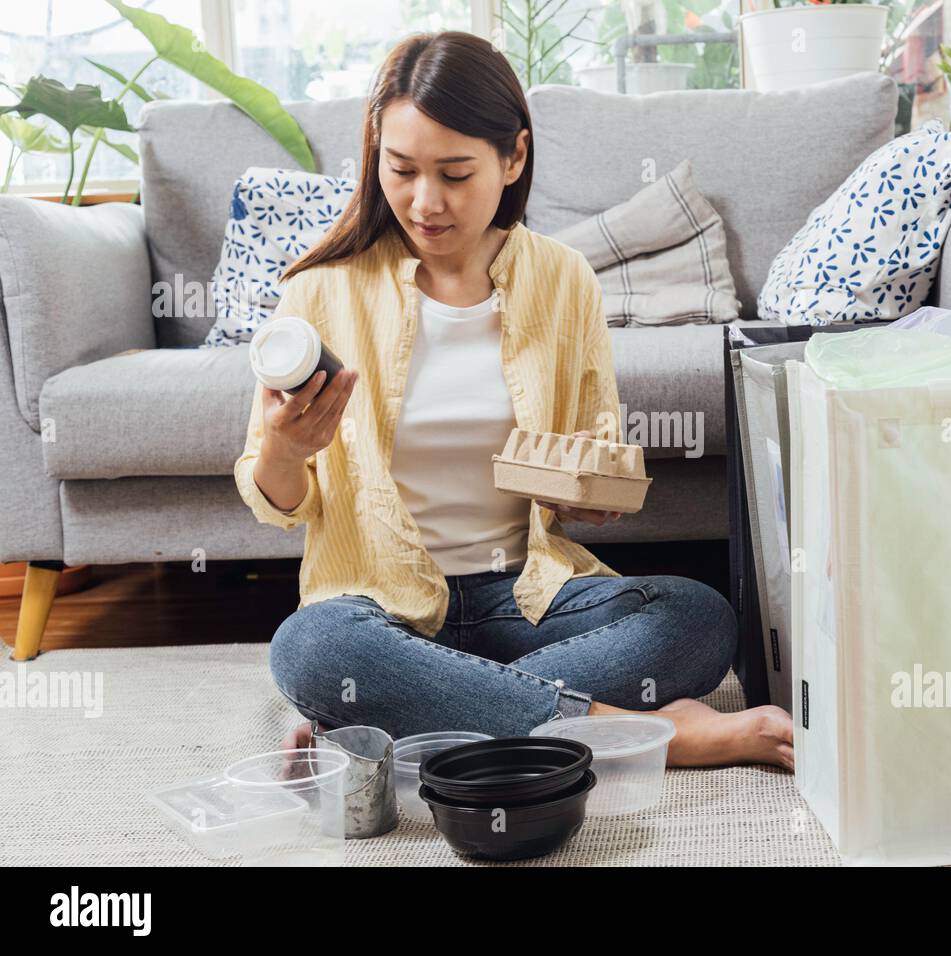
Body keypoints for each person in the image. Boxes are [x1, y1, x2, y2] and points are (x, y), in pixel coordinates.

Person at [234, 31, 793, 770]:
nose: (424, 202)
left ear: (514, 157)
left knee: (697, 620)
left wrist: (592, 492)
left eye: (455, 173)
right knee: (312, 648)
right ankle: (638, 733)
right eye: (400, 170)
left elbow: (591, 455)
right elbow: (277, 502)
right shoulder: (318, 293)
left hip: (524, 601)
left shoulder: (563, 280)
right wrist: (286, 449)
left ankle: (389, 720)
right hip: (379, 605)